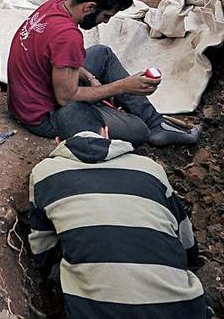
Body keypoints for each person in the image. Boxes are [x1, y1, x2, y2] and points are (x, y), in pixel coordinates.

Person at [28, 104, 206, 319]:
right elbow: (184, 235)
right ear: (105, 131)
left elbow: (42, 250)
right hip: (182, 309)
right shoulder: (149, 169)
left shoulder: (45, 174)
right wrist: (191, 261)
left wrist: (51, 278)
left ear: (58, 141)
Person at [7, 0, 199, 146]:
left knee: (102, 53)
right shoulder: (68, 36)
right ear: (90, 7)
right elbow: (66, 98)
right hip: (43, 117)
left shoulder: (57, 4)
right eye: (106, 15)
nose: (106, 21)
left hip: (28, 98)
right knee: (138, 130)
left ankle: (156, 124)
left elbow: (50, 56)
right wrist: (122, 85)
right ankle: (150, 126)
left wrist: (91, 78)